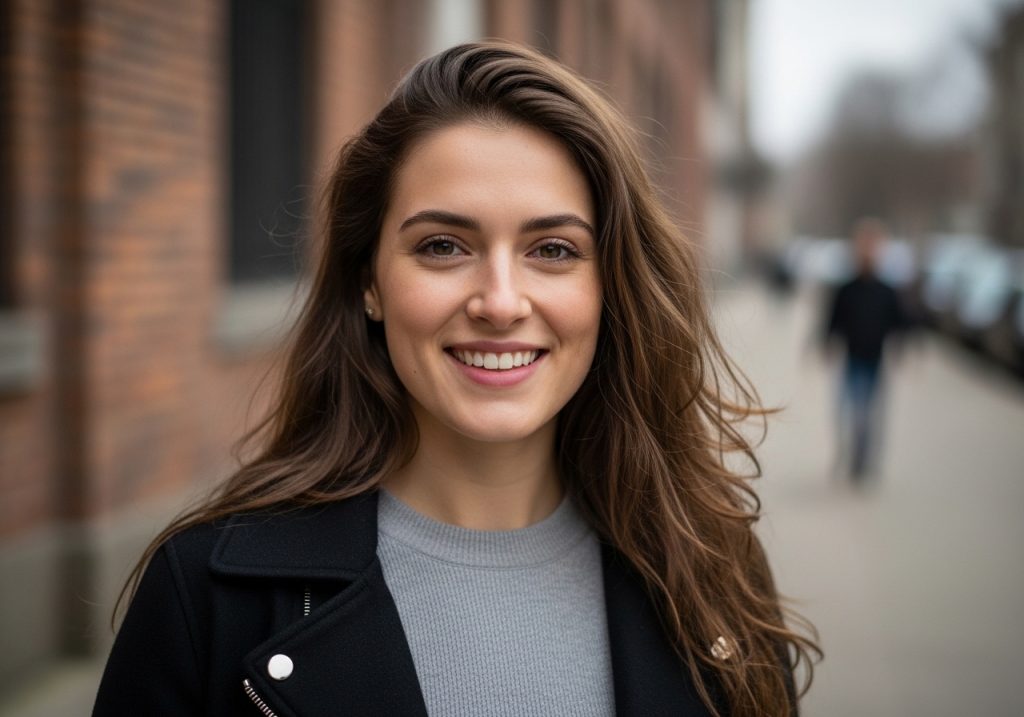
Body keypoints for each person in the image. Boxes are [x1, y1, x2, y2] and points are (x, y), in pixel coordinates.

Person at [93, 41, 818, 716]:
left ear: (611, 285)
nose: (500, 302)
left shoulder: (709, 570)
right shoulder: (209, 597)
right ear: (368, 280)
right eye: (443, 246)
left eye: (553, 249)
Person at [823, 218, 908, 481]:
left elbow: (900, 322)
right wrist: (825, 344)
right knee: (849, 411)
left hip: (875, 361)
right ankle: (849, 453)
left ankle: (864, 459)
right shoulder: (846, 288)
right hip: (852, 360)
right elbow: (833, 319)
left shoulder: (886, 290)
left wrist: (903, 348)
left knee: (869, 414)